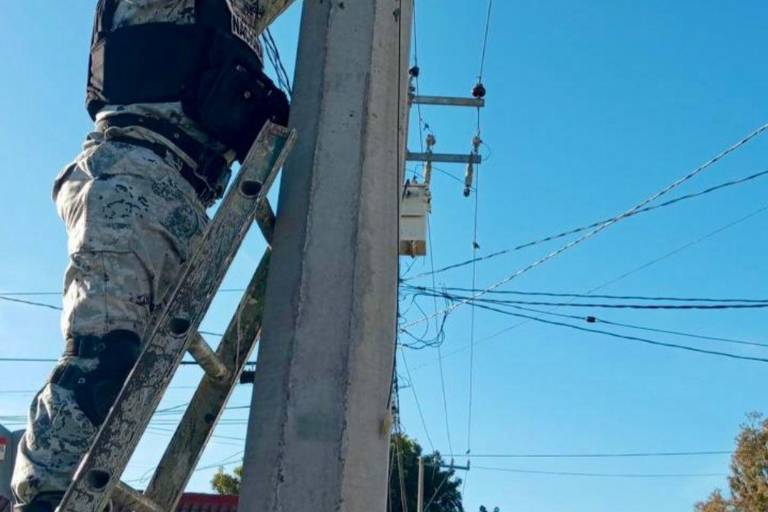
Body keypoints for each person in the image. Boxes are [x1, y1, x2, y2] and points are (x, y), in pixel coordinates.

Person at [11, 1, 290, 510]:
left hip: (186, 200)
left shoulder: (239, 10)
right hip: (132, 176)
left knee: (129, 384)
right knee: (102, 360)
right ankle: (43, 498)